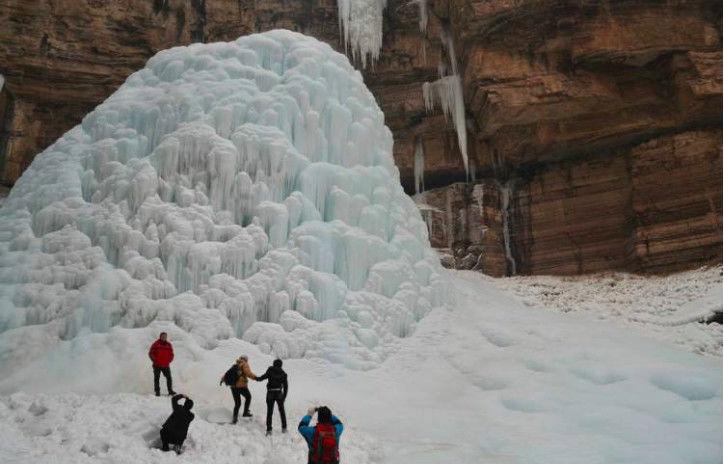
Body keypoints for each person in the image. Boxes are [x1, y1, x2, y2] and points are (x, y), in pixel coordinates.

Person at [219, 355, 257, 423]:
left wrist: (222, 380)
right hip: (241, 386)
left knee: (237, 403)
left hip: (233, 387)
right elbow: (248, 373)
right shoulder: (244, 364)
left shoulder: (235, 365)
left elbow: (227, 373)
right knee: (248, 397)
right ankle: (245, 412)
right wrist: (256, 378)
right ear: (246, 359)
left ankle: (235, 418)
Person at [255, 358, 288, 435]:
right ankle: (284, 428)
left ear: (274, 363)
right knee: (282, 411)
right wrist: (284, 397)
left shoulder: (270, 369)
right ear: (281, 365)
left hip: (270, 393)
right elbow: (286, 386)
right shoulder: (283, 373)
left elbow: (263, 377)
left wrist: (256, 378)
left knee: (270, 412)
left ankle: (269, 430)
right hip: (279, 393)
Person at [149, 332, 175, 396]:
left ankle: (170, 391)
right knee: (157, 378)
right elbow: (151, 353)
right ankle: (157, 392)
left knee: (169, 378)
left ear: (166, 337)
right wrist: (154, 360)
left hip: (166, 365)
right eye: (163, 336)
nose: (164, 337)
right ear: (160, 337)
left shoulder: (169, 345)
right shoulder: (156, 344)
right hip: (157, 365)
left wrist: (169, 360)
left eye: (165, 336)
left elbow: (171, 354)